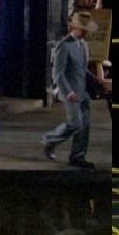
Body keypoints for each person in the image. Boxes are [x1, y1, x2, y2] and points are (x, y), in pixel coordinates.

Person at [42, 10, 100, 169]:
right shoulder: (64, 46)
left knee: (84, 126)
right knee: (75, 123)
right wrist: (68, 92)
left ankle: (78, 157)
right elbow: (58, 74)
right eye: (83, 29)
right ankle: (50, 139)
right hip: (70, 92)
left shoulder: (84, 45)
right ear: (74, 28)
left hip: (83, 91)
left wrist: (96, 80)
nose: (86, 33)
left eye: (87, 30)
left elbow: (82, 68)